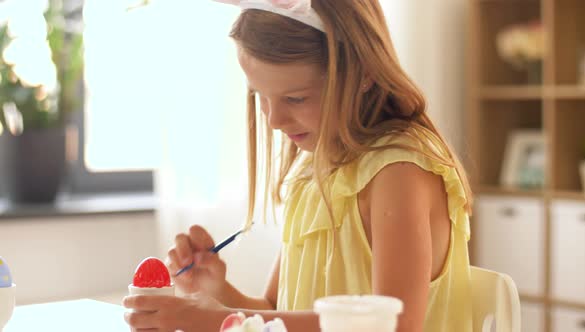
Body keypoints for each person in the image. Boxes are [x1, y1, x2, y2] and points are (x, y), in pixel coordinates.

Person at [123, 0, 474, 331]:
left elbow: (393, 325)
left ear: (363, 74)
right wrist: (218, 290)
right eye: (260, 96)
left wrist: (220, 320)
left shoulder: (399, 172)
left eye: (295, 98)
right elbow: (274, 307)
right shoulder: (315, 171)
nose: (274, 120)